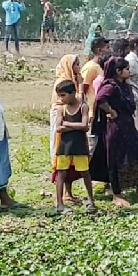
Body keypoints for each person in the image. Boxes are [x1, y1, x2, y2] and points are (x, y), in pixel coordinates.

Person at [89, 57, 138, 206]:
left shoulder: (125, 86)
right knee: (115, 159)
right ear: (118, 71)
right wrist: (110, 110)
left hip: (127, 125)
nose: (129, 71)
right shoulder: (111, 86)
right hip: (115, 127)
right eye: (126, 69)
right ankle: (117, 194)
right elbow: (100, 99)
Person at [52, 80, 96, 213]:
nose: (61, 98)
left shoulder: (83, 107)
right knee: (61, 174)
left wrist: (67, 124)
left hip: (79, 146)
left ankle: (91, 200)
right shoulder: (61, 108)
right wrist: (77, 126)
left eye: (63, 95)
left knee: (85, 173)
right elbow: (59, 128)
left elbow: (85, 126)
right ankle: (59, 203)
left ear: (73, 93)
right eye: (60, 95)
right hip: (64, 147)